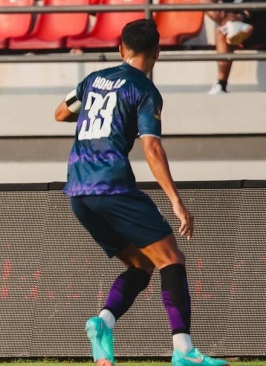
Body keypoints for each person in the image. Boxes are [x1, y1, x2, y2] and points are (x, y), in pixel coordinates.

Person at [53, 19, 229, 366]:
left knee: (141, 264)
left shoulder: (92, 80)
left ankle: (102, 322)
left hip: (77, 191)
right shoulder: (145, 90)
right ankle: (184, 352)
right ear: (157, 53)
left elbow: (60, 113)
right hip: (113, 185)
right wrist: (177, 202)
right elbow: (152, 149)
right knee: (172, 259)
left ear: (121, 49)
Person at [205, 0, 266, 94]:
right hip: (235, 20)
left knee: (228, 28)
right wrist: (208, 7)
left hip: (259, 19)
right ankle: (221, 84)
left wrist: (242, 16)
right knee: (222, 32)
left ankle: (238, 28)